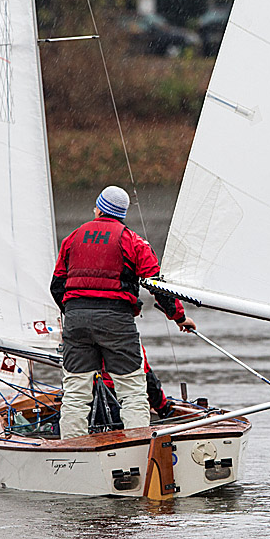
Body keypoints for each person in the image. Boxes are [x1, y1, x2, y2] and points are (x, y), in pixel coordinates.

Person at [51, 185, 196, 439]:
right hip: (116, 321)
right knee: (132, 391)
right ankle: (137, 445)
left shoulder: (72, 238)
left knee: (75, 393)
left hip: (75, 318)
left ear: (98, 209)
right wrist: (179, 317)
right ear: (121, 214)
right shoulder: (134, 241)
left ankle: (71, 449)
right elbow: (156, 286)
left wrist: (74, 312)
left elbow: (57, 286)